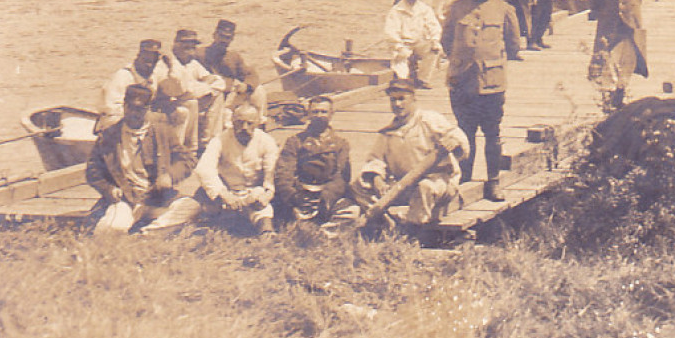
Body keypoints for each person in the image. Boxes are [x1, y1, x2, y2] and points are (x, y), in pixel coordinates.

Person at [441, 0, 522, 201]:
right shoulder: (457, 7)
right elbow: (446, 42)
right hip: (462, 81)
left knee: (492, 133)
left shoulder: (504, 9)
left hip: (492, 83)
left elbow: (514, 44)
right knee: (465, 132)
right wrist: (459, 63)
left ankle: (493, 182)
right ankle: (465, 178)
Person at [352, 78, 470, 237]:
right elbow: (375, 158)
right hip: (404, 184)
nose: (397, 104)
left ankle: (414, 229)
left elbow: (458, 136)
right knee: (359, 184)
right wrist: (377, 178)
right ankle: (385, 219)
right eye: (393, 100)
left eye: (402, 99)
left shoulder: (429, 120)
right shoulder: (389, 132)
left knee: (425, 187)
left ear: (413, 99)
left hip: (439, 181)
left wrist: (453, 141)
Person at [86, 83, 198, 236]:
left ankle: (146, 234)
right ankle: (147, 229)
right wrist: (109, 189)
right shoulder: (109, 136)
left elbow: (188, 160)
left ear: (147, 110)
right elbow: (93, 171)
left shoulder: (162, 131)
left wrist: (169, 176)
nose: (134, 113)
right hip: (127, 199)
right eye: (131, 108)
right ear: (124, 106)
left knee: (191, 206)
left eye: (140, 109)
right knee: (113, 229)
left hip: (156, 197)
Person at [186, 103, 279, 235]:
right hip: (225, 192)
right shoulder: (220, 139)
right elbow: (204, 168)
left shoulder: (266, 141)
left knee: (262, 206)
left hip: (252, 194)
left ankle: (267, 233)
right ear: (232, 122)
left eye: (249, 123)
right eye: (239, 123)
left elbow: (271, 172)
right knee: (187, 207)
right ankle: (151, 230)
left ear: (258, 123)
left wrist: (267, 194)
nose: (244, 127)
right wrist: (223, 194)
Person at [274, 96, 359, 232]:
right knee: (290, 212)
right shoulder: (295, 141)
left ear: (332, 114)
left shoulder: (341, 144)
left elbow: (342, 177)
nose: (319, 116)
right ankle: (308, 226)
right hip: (302, 195)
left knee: (352, 212)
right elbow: (284, 173)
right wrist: (294, 196)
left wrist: (327, 198)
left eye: (323, 112)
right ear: (308, 114)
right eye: (315, 112)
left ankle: (322, 230)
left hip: (327, 197)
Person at [587, 0, 648, 111]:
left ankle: (620, 95)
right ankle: (607, 97)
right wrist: (602, 13)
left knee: (627, 60)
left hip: (630, 24)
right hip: (609, 23)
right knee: (606, 59)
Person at [165, 28, 228, 155]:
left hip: (194, 101)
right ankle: (189, 148)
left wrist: (203, 87)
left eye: (192, 48)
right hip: (171, 106)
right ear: (176, 46)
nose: (190, 52)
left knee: (218, 96)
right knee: (192, 102)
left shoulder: (192, 63)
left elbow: (218, 81)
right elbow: (184, 91)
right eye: (186, 48)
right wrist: (205, 87)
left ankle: (209, 143)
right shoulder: (169, 64)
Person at [385, 0, 442, 88]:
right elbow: (391, 33)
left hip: (418, 44)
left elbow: (434, 27)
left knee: (434, 50)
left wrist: (434, 41)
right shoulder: (396, 10)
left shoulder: (424, 9)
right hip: (402, 45)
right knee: (402, 77)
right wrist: (399, 46)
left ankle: (422, 79)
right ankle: (406, 76)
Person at [99, 39, 170, 128]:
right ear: (138, 56)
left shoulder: (157, 74)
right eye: (146, 59)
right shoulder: (123, 75)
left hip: (141, 119)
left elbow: (171, 93)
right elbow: (110, 108)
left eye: (153, 60)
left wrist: (172, 68)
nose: (149, 65)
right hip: (116, 122)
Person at [201, 19, 265, 117]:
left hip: (227, 99)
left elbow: (250, 74)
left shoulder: (233, 57)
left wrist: (246, 86)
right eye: (221, 36)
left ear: (232, 39)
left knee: (259, 90)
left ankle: (260, 123)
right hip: (205, 99)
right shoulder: (199, 54)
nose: (223, 41)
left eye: (227, 38)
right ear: (214, 35)